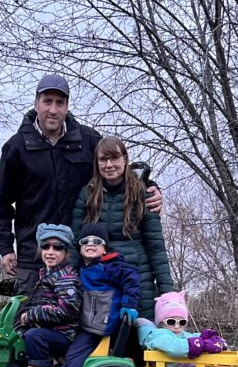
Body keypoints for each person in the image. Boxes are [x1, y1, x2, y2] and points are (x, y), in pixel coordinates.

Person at [0, 74, 161, 296]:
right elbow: (2, 206)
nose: (53, 110)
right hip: (34, 256)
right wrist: (6, 249)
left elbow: (116, 170)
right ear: (36, 103)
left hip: (82, 255)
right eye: (47, 101)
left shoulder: (88, 140)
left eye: (59, 103)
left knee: (80, 323)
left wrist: (149, 186)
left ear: (67, 106)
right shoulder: (16, 147)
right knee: (30, 322)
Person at [37, 222, 140, 367]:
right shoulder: (81, 270)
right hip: (82, 323)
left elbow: (131, 277)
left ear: (105, 248)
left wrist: (129, 304)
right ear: (79, 247)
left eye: (97, 242)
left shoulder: (109, 266)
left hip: (97, 326)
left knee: (73, 358)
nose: (91, 244)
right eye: (85, 241)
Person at [71, 136, 174, 320]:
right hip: (98, 284)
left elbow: (156, 247)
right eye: (103, 159)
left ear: (125, 159)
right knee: (100, 343)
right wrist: (69, 282)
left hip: (139, 282)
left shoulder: (143, 193)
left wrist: (168, 294)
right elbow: (75, 241)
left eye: (114, 158)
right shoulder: (87, 193)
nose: (109, 165)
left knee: (139, 341)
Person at [8, 224, 82, 367]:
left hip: (64, 334)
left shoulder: (66, 277)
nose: (50, 251)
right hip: (51, 330)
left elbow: (68, 309)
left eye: (57, 247)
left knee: (35, 336)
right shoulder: (46, 273)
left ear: (66, 252)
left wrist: (33, 315)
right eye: (45, 246)